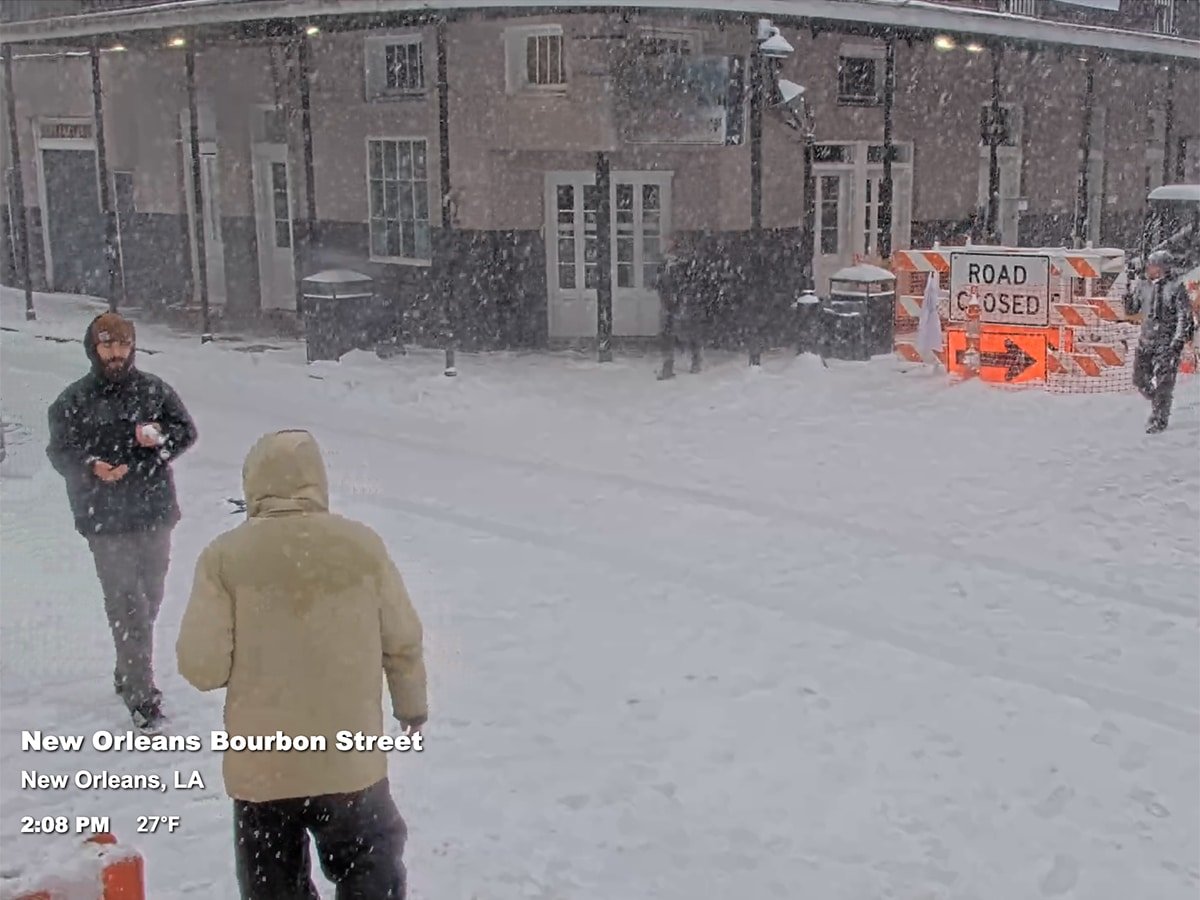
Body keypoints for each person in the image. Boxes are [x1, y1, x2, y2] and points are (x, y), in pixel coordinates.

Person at [176, 429, 428, 900]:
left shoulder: (224, 558)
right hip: (349, 763)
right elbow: (403, 640)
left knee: (275, 885)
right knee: (369, 868)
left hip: (264, 770)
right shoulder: (362, 547)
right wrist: (411, 706)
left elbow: (202, 667)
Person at [46, 311, 197, 730]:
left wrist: (159, 438)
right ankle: (141, 692)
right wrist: (91, 466)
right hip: (104, 517)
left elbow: (185, 430)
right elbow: (59, 450)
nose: (116, 353)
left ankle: (127, 667)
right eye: (107, 345)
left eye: (123, 345)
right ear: (93, 349)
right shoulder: (73, 401)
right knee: (126, 603)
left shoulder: (152, 391)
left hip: (154, 512)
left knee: (149, 597)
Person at [1131, 249, 1194, 433]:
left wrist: (1177, 341)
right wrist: (1129, 290)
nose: (1149, 268)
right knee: (1139, 379)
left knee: (1164, 382)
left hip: (1166, 342)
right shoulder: (1143, 286)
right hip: (1147, 340)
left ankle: (1159, 417)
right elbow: (1133, 307)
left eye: (1152, 265)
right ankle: (1157, 398)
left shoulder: (1175, 288)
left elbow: (1184, 316)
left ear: (1162, 268)